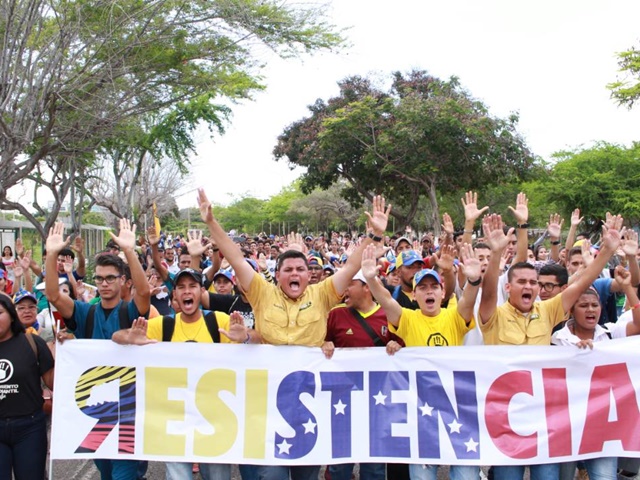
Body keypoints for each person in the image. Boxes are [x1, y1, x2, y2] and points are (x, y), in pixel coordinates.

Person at [197, 188, 389, 480]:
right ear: (278, 273)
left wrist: (374, 236)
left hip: (310, 404)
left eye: (301, 268)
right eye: (288, 269)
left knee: (306, 476)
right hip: (270, 402)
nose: (295, 273)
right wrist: (212, 222)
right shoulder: (262, 291)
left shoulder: (323, 292)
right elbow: (235, 257)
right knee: (271, 475)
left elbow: (352, 265)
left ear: (308, 274)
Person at [478, 213, 623, 480]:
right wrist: (496, 254)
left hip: (542, 419)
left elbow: (580, 283)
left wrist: (607, 251)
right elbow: (486, 293)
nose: (530, 286)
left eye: (533, 282)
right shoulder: (494, 315)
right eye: (522, 282)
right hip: (504, 420)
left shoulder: (546, 311)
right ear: (508, 287)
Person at [113, 268, 258, 480]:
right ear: (175, 295)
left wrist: (245, 336)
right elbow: (117, 336)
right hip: (176, 421)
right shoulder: (165, 325)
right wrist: (129, 338)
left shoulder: (218, 321)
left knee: (218, 477)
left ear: (201, 292)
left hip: (214, 421)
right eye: (181, 287)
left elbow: (257, 339)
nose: (186, 291)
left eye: (192, 286)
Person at [361, 243, 482, 480]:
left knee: (466, 476)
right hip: (420, 413)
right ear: (414, 296)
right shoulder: (407, 319)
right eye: (423, 287)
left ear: (441, 292)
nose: (429, 291)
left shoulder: (454, 316)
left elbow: (468, 300)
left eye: (434, 287)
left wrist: (474, 281)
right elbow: (386, 300)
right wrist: (372, 280)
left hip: (456, 411)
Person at [45, 219, 150, 480]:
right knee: (105, 473)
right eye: (100, 279)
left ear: (123, 280)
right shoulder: (85, 312)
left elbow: (145, 292)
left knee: (123, 475)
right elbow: (54, 296)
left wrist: (129, 251)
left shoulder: (129, 311)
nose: (104, 284)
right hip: (95, 413)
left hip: (129, 411)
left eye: (111, 278)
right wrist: (51, 255)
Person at [553, 265, 640, 480]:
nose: (590, 310)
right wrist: (574, 353)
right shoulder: (556, 340)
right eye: (583, 305)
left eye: (595, 305)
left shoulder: (610, 334)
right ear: (571, 310)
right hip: (565, 427)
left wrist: (629, 288)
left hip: (602, 428)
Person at [321, 269, 403, 480]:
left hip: (378, 401)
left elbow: (406, 349)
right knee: (340, 463)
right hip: (342, 401)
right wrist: (324, 343)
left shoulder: (388, 315)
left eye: (349, 284)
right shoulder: (335, 314)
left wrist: (398, 344)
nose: (343, 290)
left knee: (374, 465)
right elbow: (319, 343)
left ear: (367, 287)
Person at [0, 293, 54, 480]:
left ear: (10, 315)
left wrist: (63, 351)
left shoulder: (32, 342)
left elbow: (54, 383)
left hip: (29, 429)